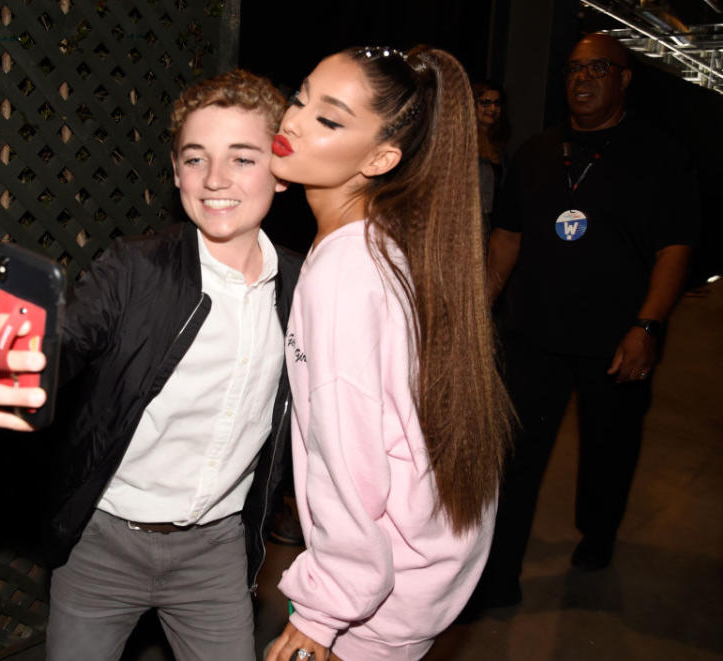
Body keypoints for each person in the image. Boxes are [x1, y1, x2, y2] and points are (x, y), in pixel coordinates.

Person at [0, 70, 302, 661]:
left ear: (280, 169)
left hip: (216, 553)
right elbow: (62, 339)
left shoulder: (305, 288)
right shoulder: (135, 269)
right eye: (195, 159)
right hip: (103, 544)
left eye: (242, 158)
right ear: (175, 174)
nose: (216, 179)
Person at [263, 46, 514, 660]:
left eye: (330, 118)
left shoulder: (345, 276)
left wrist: (324, 613)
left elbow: (349, 464)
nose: (292, 121)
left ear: (381, 158)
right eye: (301, 96)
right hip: (415, 581)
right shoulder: (386, 243)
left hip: (371, 605)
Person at [476, 33, 699, 610]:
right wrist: (480, 309)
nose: (583, 78)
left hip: (616, 340)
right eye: (575, 68)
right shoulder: (536, 153)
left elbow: (674, 250)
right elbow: (506, 239)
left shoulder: (660, 157)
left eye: (599, 67)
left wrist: (647, 326)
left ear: (624, 78)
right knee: (515, 458)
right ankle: (498, 577)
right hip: (534, 335)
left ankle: (598, 533)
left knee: (608, 451)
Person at [472, 80, 510, 229]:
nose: (492, 108)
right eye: (486, 103)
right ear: (473, 105)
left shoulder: (499, 146)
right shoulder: (464, 142)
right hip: (469, 222)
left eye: (497, 103)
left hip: (493, 223)